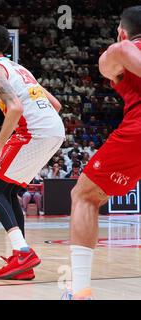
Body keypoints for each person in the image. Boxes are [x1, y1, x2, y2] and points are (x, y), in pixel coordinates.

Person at [0, 22, 65, 280]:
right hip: (54, 130)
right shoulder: (19, 68)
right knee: (8, 190)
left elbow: (14, 108)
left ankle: (22, 251)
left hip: (34, 132)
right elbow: (56, 105)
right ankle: (22, 260)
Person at [66, 6, 141, 300]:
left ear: (122, 31)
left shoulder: (121, 47)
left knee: (84, 196)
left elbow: (118, 55)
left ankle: (80, 291)